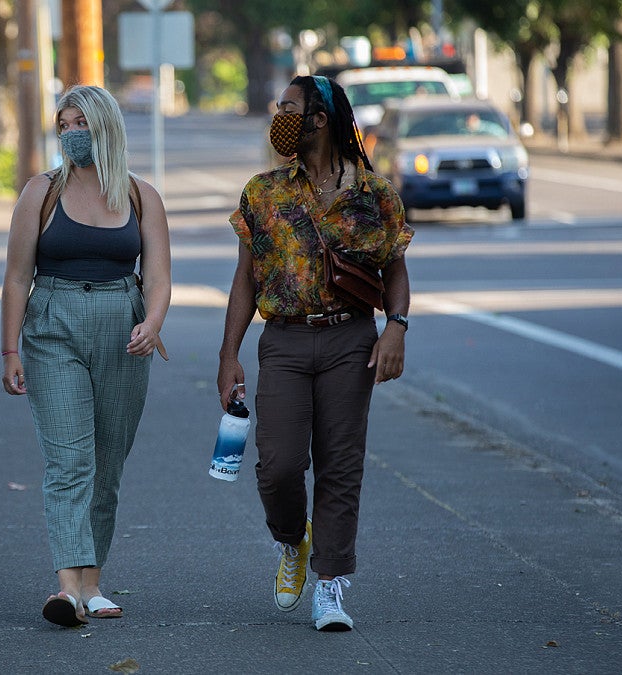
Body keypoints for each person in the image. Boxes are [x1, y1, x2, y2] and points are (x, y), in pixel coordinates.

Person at [217, 75, 413, 632]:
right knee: (277, 466)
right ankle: (291, 541)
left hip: (351, 339)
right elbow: (243, 280)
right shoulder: (263, 192)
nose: (278, 115)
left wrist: (395, 327)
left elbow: (395, 269)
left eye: (288, 107)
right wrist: (229, 354)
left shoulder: (375, 195)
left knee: (340, 464)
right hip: (283, 340)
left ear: (319, 119)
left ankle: (330, 585)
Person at [0, 84, 172, 627]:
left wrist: (153, 322)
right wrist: (10, 350)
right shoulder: (41, 192)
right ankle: (67, 590)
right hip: (53, 325)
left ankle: (93, 583)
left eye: (83, 124)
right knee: (69, 460)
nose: (72, 133)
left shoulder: (141, 195)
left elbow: (162, 278)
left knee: (108, 461)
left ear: (107, 129)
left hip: (124, 325)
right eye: (64, 124)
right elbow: (15, 277)